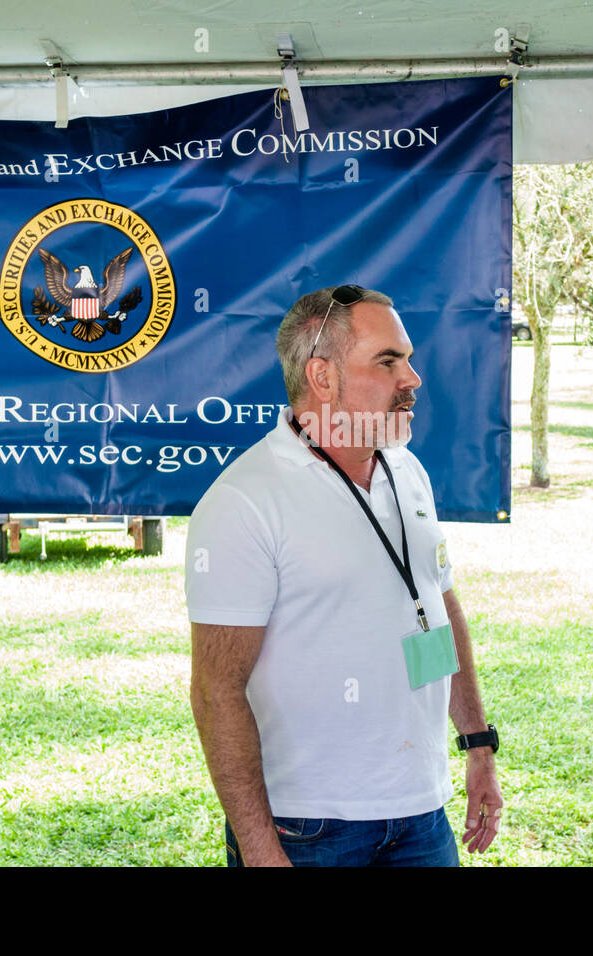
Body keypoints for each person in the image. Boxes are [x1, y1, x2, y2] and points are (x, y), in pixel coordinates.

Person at [186, 284, 502, 867]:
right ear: (323, 378)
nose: (413, 379)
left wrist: (478, 745)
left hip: (422, 813)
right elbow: (215, 691)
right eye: (388, 362)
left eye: (407, 358)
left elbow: (438, 603)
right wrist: (259, 849)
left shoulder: (407, 469)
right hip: (308, 827)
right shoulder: (244, 500)